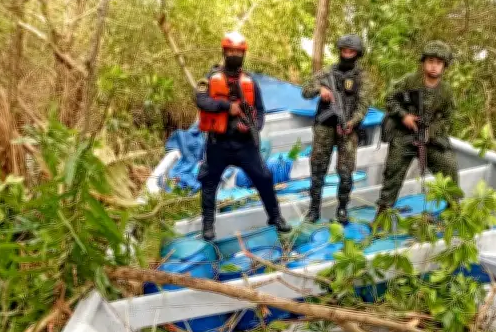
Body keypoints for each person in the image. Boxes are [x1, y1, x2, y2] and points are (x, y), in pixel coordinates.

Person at [194, 32, 291, 241]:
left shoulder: (250, 81)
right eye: (231, 51)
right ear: (224, 52)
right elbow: (201, 100)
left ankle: (275, 217)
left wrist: (255, 126)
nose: (235, 55)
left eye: (239, 52)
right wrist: (227, 107)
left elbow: (261, 110)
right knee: (209, 182)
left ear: (243, 54)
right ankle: (208, 225)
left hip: (245, 144)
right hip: (218, 143)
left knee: (264, 177)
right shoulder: (210, 78)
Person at [376, 41, 459, 214]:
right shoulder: (409, 81)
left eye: (438, 63)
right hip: (405, 134)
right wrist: (403, 116)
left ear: (444, 66)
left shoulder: (446, 91)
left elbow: (449, 118)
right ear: (423, 63)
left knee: (449, 165)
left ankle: (454, 210)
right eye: (430, 61)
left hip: (430, 137)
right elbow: (389, 98)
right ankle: (383, 212)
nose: (434, 66)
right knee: (393, 170)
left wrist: (432, 131)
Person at [301, 34, 371, 224]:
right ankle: (314, 209)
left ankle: (342, 208)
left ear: (357, 54)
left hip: (348, 128)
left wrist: (352, 122)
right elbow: (305, 90)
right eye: (344, 51)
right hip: (324, 127)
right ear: (340, 51)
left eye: (351, 52)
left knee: (346, 171)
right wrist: (320, 90)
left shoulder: (362, 78)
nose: (347, 55)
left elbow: (363, 105)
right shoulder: (327, 73)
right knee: (318, 168)